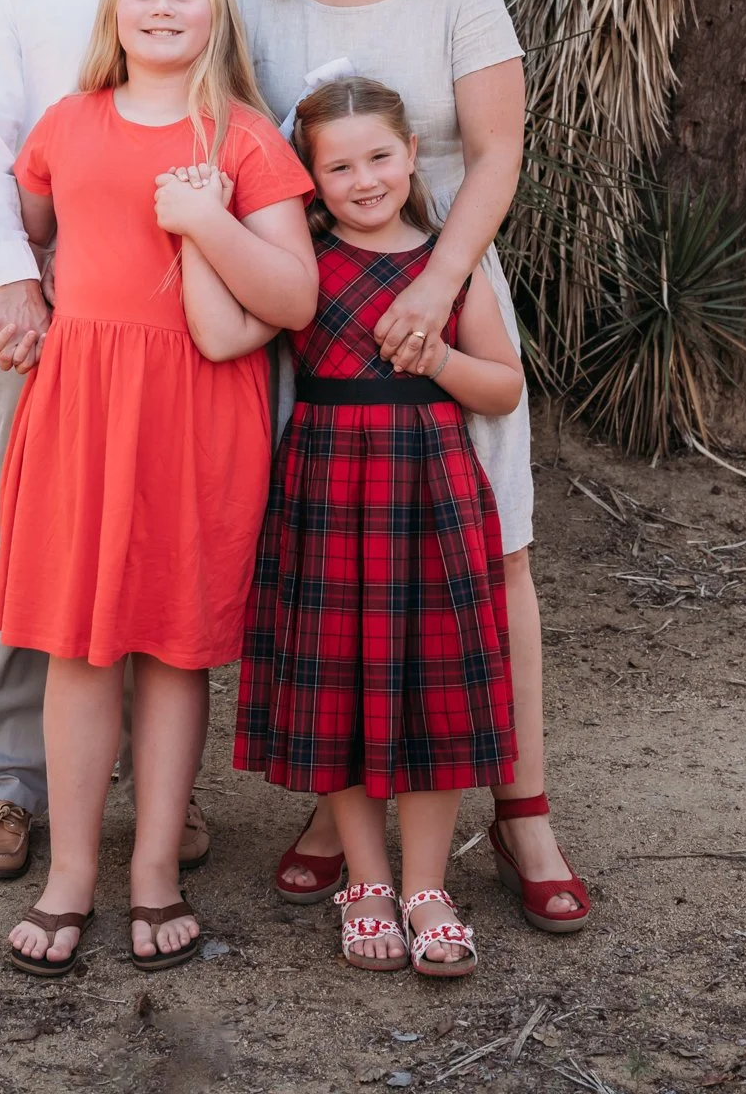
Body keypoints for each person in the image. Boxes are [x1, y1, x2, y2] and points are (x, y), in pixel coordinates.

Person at [234, 0, 591, 934]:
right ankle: (337, 816)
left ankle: (522, 808)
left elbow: (496, 152)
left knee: (497, 557)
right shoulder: (256, 0)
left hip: (446, 300)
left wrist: (438, 291)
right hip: (316, 320)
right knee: (334, 570)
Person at [0, 0, 317, 975]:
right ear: (116, 12)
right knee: (82, 644)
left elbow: (295, 297)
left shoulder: (248, 138)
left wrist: (206, 224)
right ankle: (72, 874)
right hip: (84, 404)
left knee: (176, 646)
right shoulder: (66, 124)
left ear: (216, 16)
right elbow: (37, 226)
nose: (166, 6)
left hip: (193, 409)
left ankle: (156, 873)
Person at [0, 0, 215, 884]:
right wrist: (9, 281)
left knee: (166, 546)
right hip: (55, 318)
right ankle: (10, 784)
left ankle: (161, 794)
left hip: (193, 324)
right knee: (37, 543)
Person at [234, 77, 523, 976]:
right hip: (324, 491)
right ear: (309, 177)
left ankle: (428, 887)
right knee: (340, 690)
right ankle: (366, 882)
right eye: (339, 165)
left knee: (428, 686)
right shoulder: (301, 270)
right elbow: (222, 333)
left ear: (411, 156)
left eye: (380, 157)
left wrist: (437, 354)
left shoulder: (449, 267)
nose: (364, 180)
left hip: (429, 491)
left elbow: (504, 387)